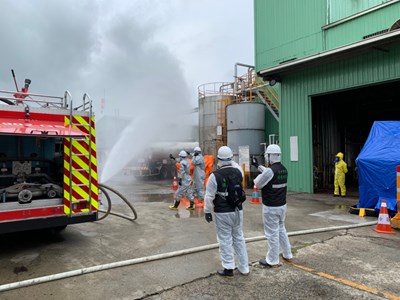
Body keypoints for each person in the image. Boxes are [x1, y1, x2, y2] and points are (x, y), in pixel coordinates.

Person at [204, 146, 249, 277]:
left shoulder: (215, 176)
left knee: (225, 239)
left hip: (222, 212)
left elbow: (209, 196)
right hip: (237, 210)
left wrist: (207, 211)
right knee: (239, 238)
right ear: (231, 158)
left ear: (218, 159)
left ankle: (228, 268)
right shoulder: (238, 172)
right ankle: (244, 267)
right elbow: (234, 165)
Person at [252, 144, 293, 268]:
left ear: (270, 156)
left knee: (272, 234)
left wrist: (258, 169)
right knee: (281, 230)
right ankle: (287, 254)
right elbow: (270, 173)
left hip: (271, 207)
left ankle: (272, 260)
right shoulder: (283, 169)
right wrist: (258, 166)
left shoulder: (270, 171)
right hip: (282, 206)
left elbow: (258, 184)